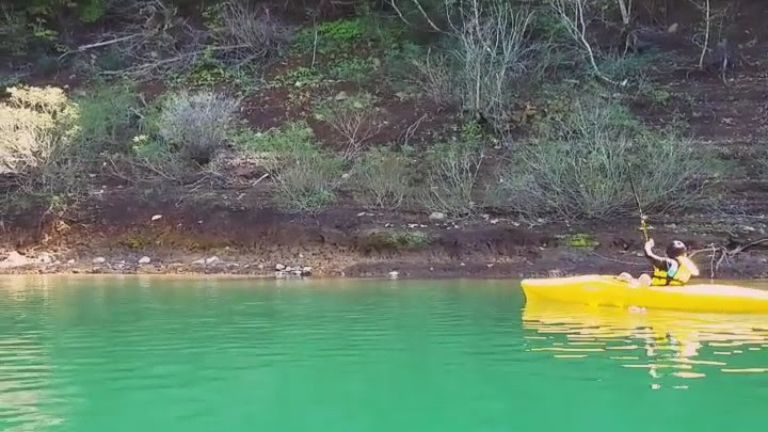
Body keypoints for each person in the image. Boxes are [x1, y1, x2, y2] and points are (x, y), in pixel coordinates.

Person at [619, 239, 700, 287]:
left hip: (660, 288)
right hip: (675, 288)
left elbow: (649, 255)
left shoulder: (668, 263)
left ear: (667, 253)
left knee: (641, 277)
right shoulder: (686, 263)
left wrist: (648, 245)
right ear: (684, 253)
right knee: (642, 278)